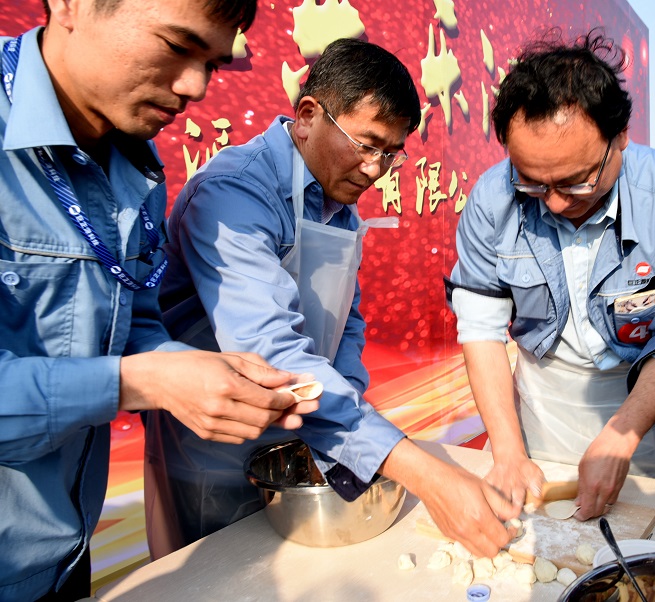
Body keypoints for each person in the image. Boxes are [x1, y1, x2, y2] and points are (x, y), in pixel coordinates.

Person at [144, 37, 517, 560]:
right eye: (366, 144)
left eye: (390, 153)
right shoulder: (233, 193)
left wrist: (350, 424)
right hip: (214, 451)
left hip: (307, 430)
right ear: (307, 115)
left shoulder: (337, 203)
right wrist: (423, 473)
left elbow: (345, 323)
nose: (374, 169)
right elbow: (271, 355)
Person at [0, 1, 316, 600]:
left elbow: (136, 321)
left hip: (63, 556)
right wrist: (140, 384)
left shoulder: (135, 169)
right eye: (177, 46)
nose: (195, 86)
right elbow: (131, 372)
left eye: (213, 64)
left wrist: (194, 367)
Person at [445, 29, 655, 521]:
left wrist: (622, 434)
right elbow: (481, 327)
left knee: (642, 533)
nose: (553, 203)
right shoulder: (492, 199)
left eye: (576, 182)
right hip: (541, 399)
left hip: (639, 402)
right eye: (533, 183)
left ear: (621, 138)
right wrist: (508, 452)